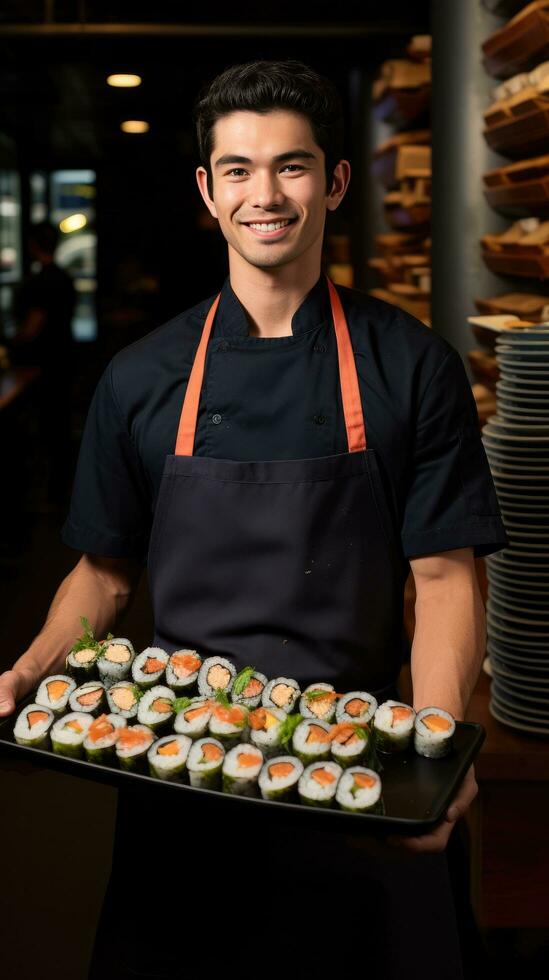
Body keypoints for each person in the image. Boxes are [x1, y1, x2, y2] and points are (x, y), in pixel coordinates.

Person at [0, 60, 508, 979]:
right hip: (178, 786)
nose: (264, 194)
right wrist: (32, 670)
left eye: (292, 166)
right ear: (205, 188)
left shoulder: (411, 367)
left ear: (335, 181)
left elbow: (444, 578)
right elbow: (105, 573)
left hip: (358, 770)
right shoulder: (142, 376)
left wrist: (433, 756)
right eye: (236, 170)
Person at [10, 221, 77, 507]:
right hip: (64, 359)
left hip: (43, 365)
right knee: (60, 426)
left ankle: (51, 493)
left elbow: (33, 327)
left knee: (46, 429)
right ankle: (61, 490)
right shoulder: (64, 278)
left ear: (34, 246)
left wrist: (13, 341)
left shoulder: (39, 282)